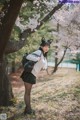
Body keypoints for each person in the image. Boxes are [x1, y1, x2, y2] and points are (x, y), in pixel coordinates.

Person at [21, 38, 52, 115]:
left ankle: (27, 109)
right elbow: (28, 56)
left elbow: (44, 67)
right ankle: (28, 110)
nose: (47, 48)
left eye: (48, 47)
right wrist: (37, 58)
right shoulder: (39, 52)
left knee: (28, 93)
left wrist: (43, 64)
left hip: (32, 74)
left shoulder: (44, 55)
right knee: (27, 93)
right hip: (29, 74)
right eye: (45, 46)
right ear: (41, 46)